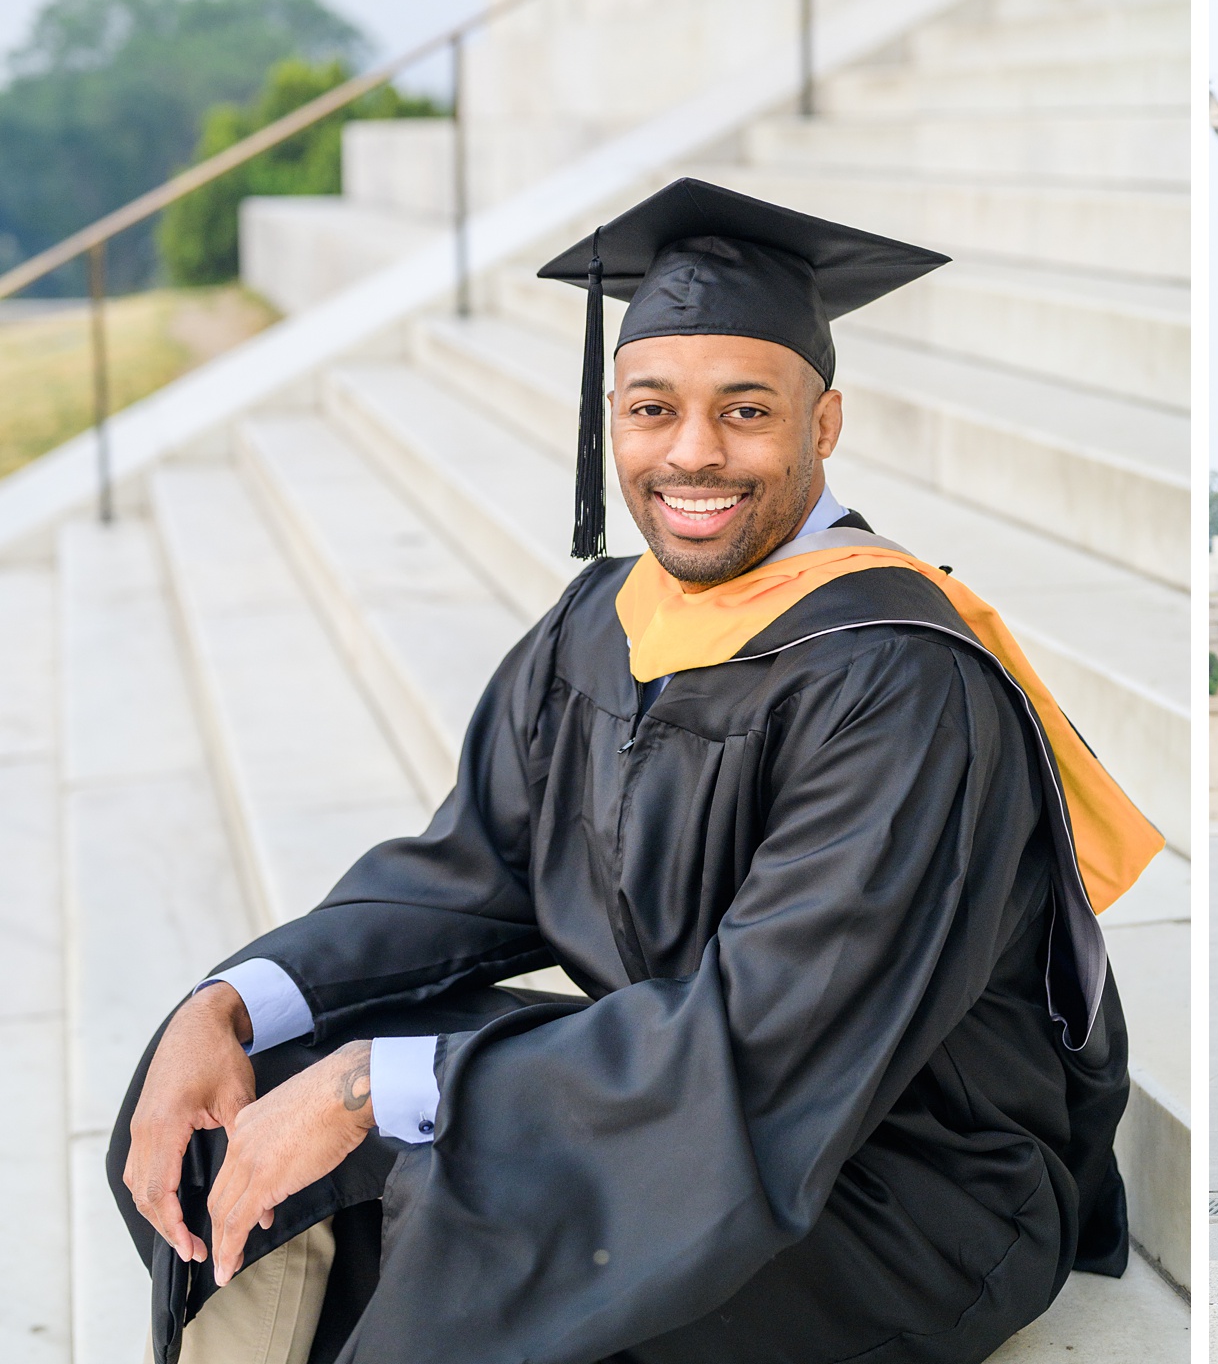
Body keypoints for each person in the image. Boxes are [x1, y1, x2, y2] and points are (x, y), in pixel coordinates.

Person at [113, 179, 1164, 1364]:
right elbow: (467, 873)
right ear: (611, 416)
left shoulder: (901, 682)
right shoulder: (605, 620)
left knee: (485, 1203)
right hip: (686, 1095)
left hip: (890, 1183)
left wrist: (378, 1092)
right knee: (230, 1085)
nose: (692, 454)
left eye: (746, 411)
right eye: (653, 408)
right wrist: (231, 1003)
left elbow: (767, 1049)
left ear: (822, 427)